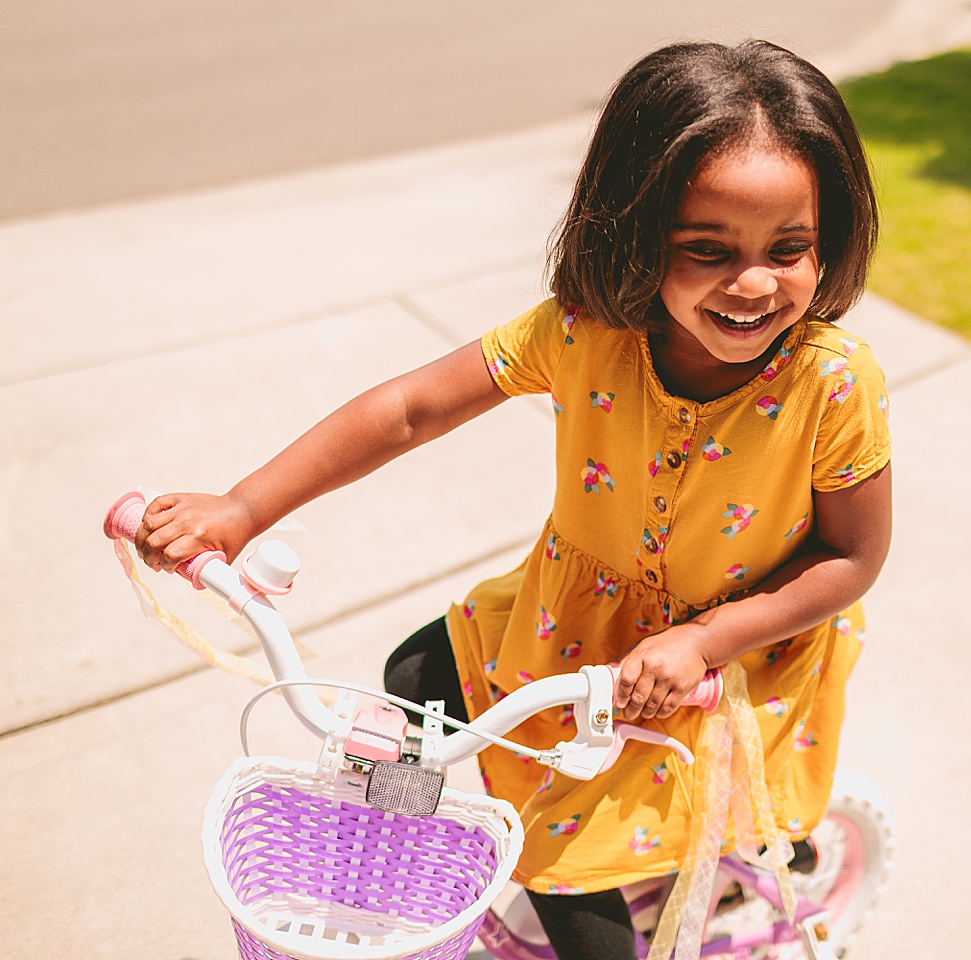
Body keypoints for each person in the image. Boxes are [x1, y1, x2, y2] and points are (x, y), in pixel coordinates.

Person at [133, 39, 891, 960]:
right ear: (636, 232)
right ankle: (409, 866)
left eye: (791, 248)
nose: (755, 282)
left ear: (832, 237)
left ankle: (574, 881)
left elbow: (851, 558)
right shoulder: (587, 332)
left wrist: (703, 638)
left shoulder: (834, 383)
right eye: (707, 249)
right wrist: (243, 509)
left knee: (559, 860)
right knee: (416, 682)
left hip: (723, 658)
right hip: (578, 620)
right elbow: (410, 410)